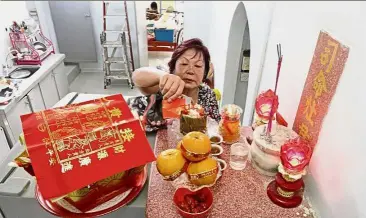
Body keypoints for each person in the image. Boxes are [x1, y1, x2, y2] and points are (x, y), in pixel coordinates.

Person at [130, 38, 220, 131]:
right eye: (184, 64)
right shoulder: (165, 85)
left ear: (204, 72)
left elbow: (215, 127)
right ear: (173, 68)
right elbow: (137, 76)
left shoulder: (207, 94)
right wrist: (163, 76)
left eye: (198, 66)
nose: (190, 71)